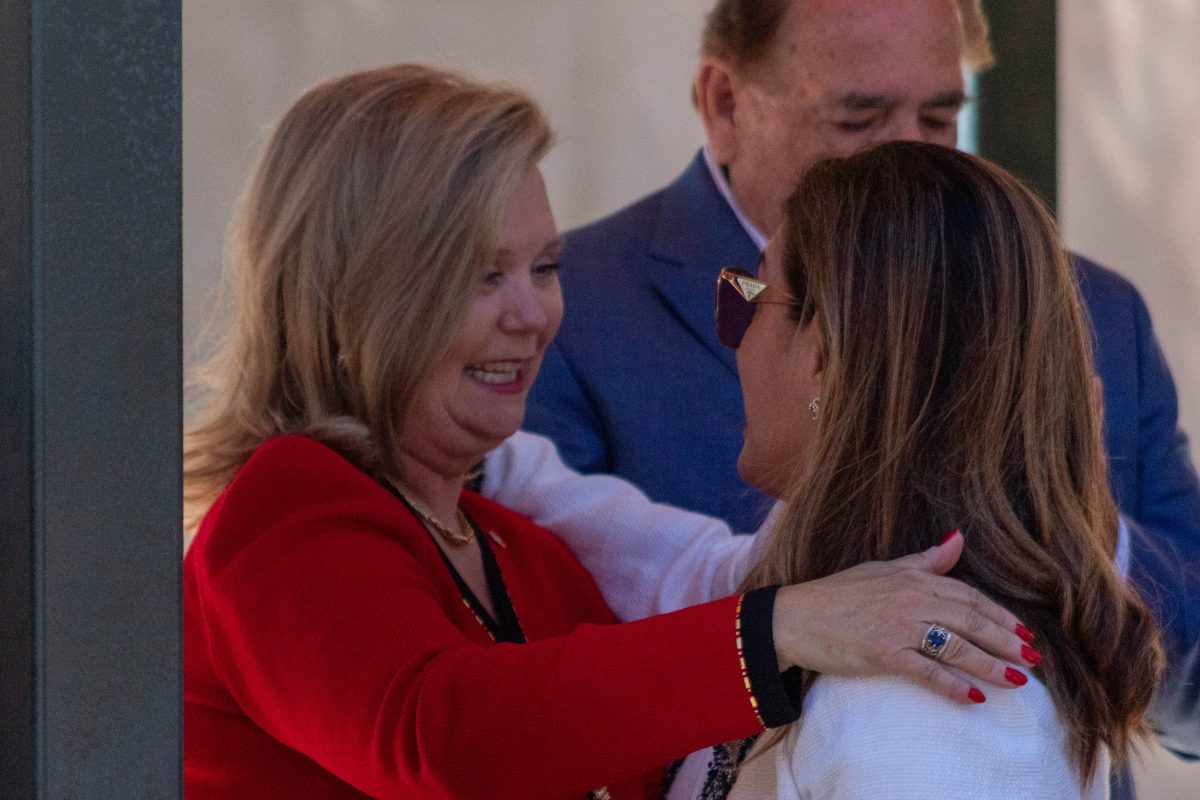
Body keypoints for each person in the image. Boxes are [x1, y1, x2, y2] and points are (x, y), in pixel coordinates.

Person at [182, 65, 1032, 800]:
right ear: (355, 297)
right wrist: (780, 628)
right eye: (481, 276)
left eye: (545, 268)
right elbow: (442, 742)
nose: (532, 314)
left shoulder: (530, 556)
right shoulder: (286, 503)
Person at [523, 0, 1200, 787]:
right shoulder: (556, 310)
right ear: (725, 103)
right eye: (859, 118)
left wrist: (1051, 510)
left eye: (942, 115)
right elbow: (592, 610)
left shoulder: (1095, 312)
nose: (910, 155)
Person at [666, 140, 1164, 800]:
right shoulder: (897, 656)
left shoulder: (924, 709)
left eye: (753, 297)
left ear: (823, 356)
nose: (738, 337)